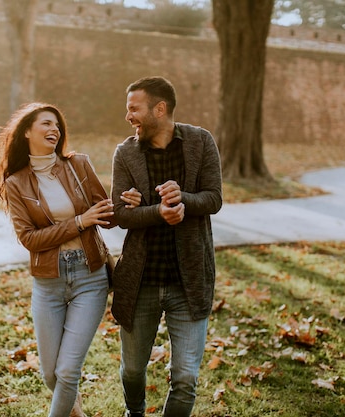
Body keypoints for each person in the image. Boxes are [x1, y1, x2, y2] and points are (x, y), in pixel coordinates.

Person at [0, 102, 115, 417]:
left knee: (68, 371)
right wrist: (79, 222)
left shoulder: (79, 165)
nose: (54, 130)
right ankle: (74, 410)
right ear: (27, 132)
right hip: (48, 283)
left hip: (89, 277)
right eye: (46, 123)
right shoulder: (16, 183)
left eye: (57, 125)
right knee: (50, 374)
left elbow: (106, 216)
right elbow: (29, 239)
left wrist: (124, 204)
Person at [110, 76, 223, 417]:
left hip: (188, 281)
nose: (128, 116)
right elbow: (120, 213)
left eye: (134, 108)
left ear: (160, 109)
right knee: (132, 370)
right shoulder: (126, 152)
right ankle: (135, 412)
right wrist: (156, 211)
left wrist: (184, 201)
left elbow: (214, 198)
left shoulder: (201, 142)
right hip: (140, 281)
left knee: (185, 377)